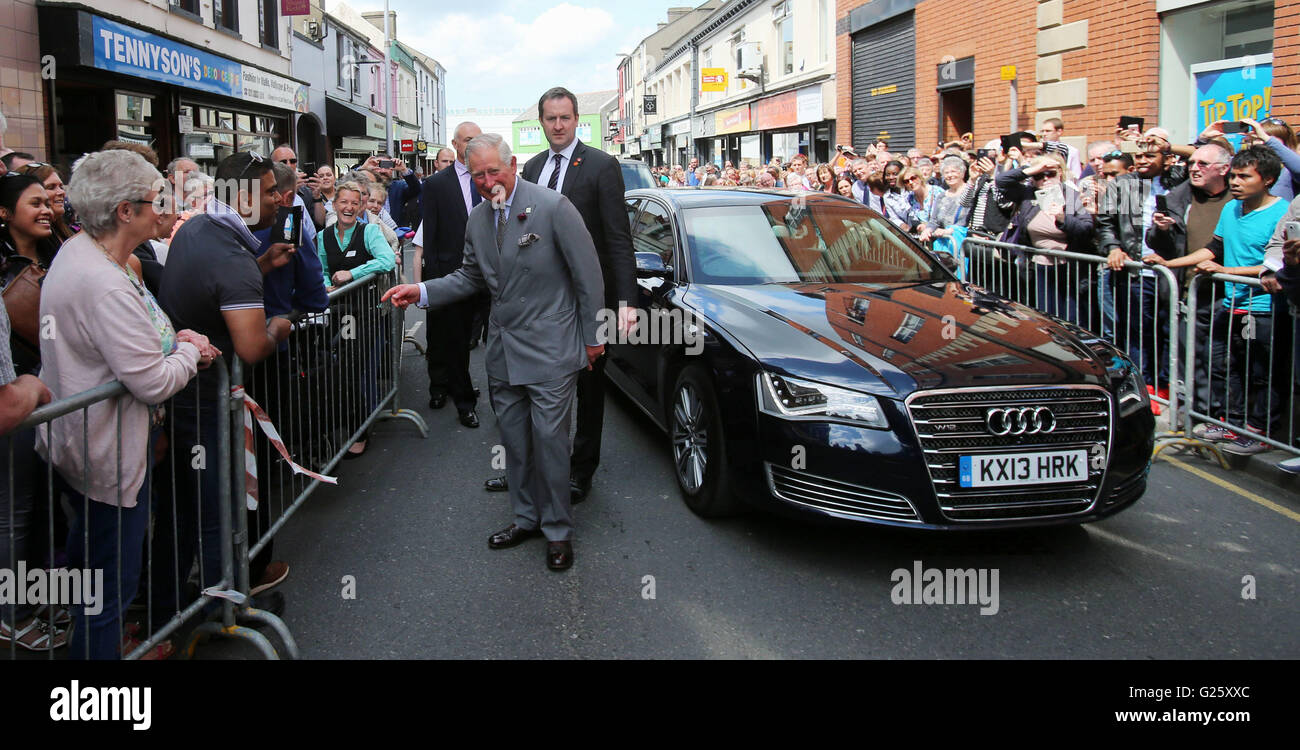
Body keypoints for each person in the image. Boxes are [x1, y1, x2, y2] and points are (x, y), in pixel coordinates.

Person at [381, 133, 604, 571]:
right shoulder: (478, 221)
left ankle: (558, 531)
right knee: (515, 444)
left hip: (552, 350)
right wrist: (421, 290)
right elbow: (468, 278)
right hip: (503, 354)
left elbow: (588, 276)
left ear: (513, 165)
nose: (486, 181)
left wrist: (594, 337)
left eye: (493, 171)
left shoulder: (554, 208)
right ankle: (525, 518)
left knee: (551, 444)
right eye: (478, 174)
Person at [37, 150, 218, 659]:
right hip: (107, 456)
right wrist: (190, 349)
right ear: (124, 211)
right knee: (107, 593)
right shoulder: (100, 280)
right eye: (154, 199)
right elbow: (153, 381)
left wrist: (172, 341)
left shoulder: (91, 255)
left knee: (93, 574)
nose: (164, 206)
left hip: (97, 448)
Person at [152, 151, 296, 627]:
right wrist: (279, 326)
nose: (280, 199)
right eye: (272, 190)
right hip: (205, 402)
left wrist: (262, 265)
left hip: (185, 397)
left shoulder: (199, 228)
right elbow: (251, 347)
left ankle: (171, 603)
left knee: (183, 508)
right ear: (247, 196)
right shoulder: (230, 257)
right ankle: (222, 609)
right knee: (216, 504)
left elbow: (213, 290)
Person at [497, 86, 635, 503]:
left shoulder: (601, 165)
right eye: (550, 118)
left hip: (589, 299)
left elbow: (618, 239)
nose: (558, 125)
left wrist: (626, 303)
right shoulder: (533, 168)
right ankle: (537, 467)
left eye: (565, 118)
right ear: (541, 121)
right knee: (539, 388)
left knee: (589, 391)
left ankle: (580, 471)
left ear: (577, 121)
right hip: (541, 303)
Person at [1157, 147, 1287, 454]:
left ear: (1267, 180)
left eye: (1245, 177)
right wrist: (1167, 263)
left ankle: (1259, 430)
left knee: (1261, 372)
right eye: (1235, 176)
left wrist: (1226, 270)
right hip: (1231, 305)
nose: (1236, 182)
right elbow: (1214, 248)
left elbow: (1275, 263)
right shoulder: (1231, 209)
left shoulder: (1282, 213)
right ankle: (1231, 422)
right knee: (1224, 366)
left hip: (1262, 309)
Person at [1144, 142, 1234, 427]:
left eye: (1202, 164)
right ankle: (1191, 414)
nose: (1194, 168)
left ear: (1224, 169)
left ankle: (1218, 417)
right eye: (1191, 163)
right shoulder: (1179, 198)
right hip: (1189, 291)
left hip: (1229, 292)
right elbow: (1159, 244)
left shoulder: (1238, 200)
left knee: (1220, 361)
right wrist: (1160, 231)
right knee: (1187, 358)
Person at [317, 179, 397, 456]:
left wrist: (353, 274)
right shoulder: (324, 236)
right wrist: (327, 282)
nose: (348, 207)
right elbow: (323, 268)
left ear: (362, 205)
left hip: (365, 313)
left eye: (354, 202)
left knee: (352, 372)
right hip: (335, 313)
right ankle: (340, 427)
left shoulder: (369, 232)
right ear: (334, 205)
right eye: (343, 202)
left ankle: (359, 431)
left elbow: (387, 260)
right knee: (334, 373)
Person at [415, 121, 484, 429]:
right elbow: (430, 236)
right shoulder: (436, 184)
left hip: (491, 274)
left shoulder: (490, 179)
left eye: (477, 140)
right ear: (455, 144)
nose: (472, 145)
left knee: (490, 338)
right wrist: (433, 281)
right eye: (467, 140)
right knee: (454, 340)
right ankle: (464, 402)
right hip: (453, 275)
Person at [1097, 141, 1181, 384]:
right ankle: (1141, 384)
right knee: (1138, 332)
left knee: (1167, 331)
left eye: (1150, 155)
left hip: (1171, 269)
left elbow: (1203, 155)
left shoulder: (1179, 180)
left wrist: (1169, 145)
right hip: (1137, 271)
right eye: (1140, 155)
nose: (1143, 160)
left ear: (1166, 158)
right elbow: (1105, 223)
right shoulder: (1123, 184)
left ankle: (1164, 385)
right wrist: (1113, 247)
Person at [997, 153, 1095, 321]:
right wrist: (1029, 169)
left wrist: (1063, 219)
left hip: (1067, 267)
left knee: (1068, 316)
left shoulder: (1071, 195)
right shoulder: (1028, 193)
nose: (1045, 178)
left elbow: (1086, 228)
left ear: (1061, 173)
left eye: (1050, 173)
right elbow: (1002, 181)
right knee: (1043, 316)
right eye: (1039, 175)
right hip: (1036, 266)